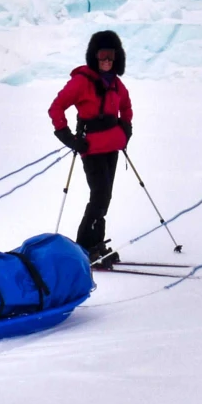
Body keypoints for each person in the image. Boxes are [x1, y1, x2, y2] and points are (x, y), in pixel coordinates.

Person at [48, 30, 133, 267]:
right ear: (94, 57)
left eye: (111, 57)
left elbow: (126, 107)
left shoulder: (116, 84)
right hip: (92, 148)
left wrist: (126, 129)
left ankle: (95, 245)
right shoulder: (81, 82)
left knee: (104, 197)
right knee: (100, 196)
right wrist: (68, 137)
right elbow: (56, 108)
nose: (107, 61)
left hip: (112, 146)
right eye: (102, 56)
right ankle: (86, 247)